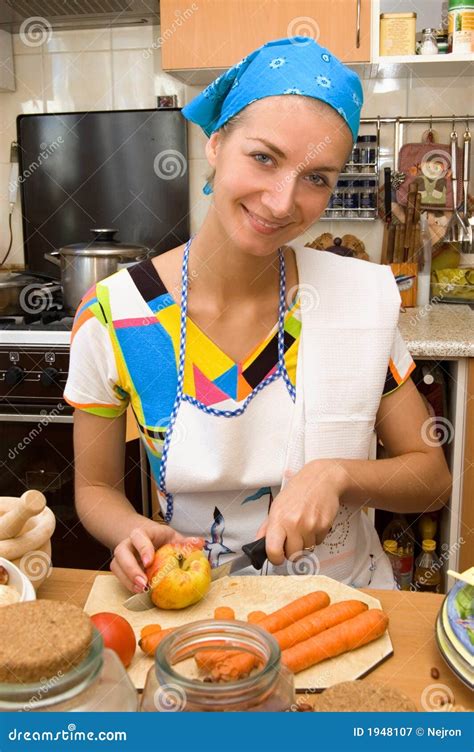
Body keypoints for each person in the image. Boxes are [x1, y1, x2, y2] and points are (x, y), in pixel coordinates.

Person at [64, 36, 452, 594]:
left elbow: (432, 477)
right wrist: (129, 529)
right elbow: (96, 488)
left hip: (347, 604)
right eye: (264, 158)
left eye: (317, 177)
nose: (280, 201)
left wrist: (339, 476)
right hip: (202, 609)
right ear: (217, 144)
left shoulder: (356, 301)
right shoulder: (114, 318)